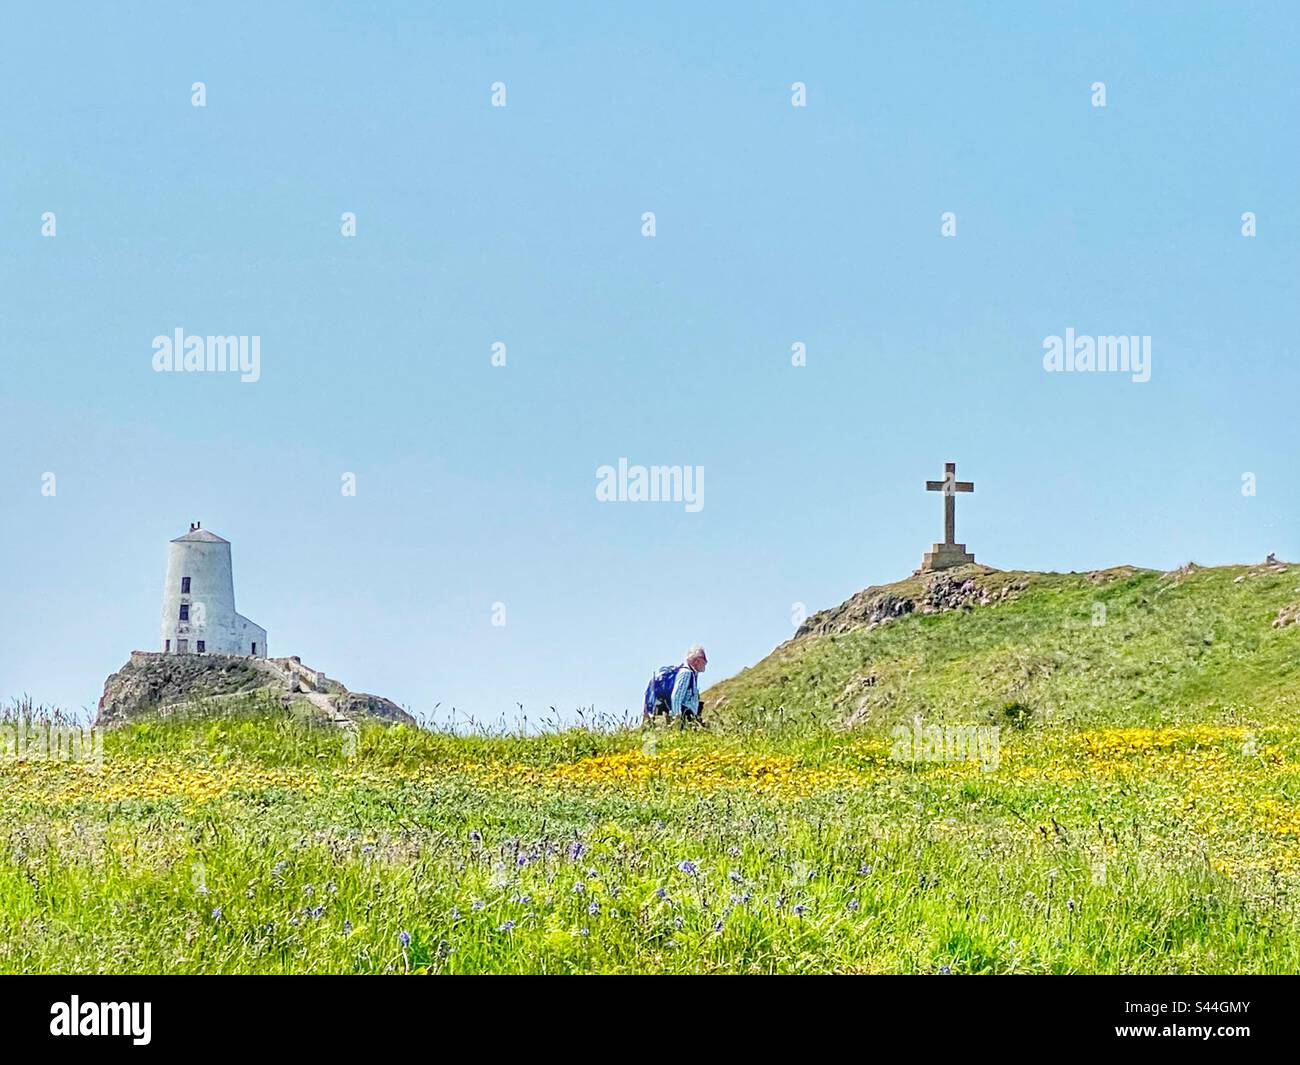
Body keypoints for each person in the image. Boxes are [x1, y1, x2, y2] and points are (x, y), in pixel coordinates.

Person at [642, 645, 708, 728]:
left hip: (688, 717)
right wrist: (677, 720)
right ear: (696, 660)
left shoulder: (692, 674)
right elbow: (676, 697)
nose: (706, 662)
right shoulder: (686, 673)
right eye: (704, 659)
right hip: (684, 718)